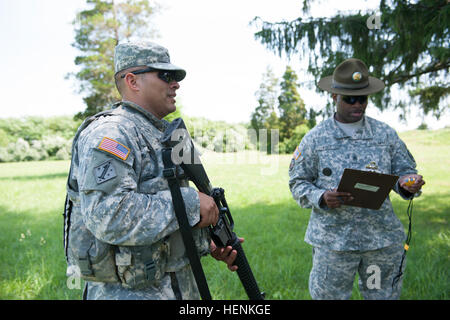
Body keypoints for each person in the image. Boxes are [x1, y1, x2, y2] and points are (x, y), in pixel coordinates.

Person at [65, 41, 239, 300]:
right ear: (133, 81)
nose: (176, 83)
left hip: (178, 286)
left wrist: (204, 240)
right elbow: (108, 214)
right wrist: (191, 205)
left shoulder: (161, 133)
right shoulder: (112, 133)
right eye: (166, 75)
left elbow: (162, 209)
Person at [288, 58, 425, 300]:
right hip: (334, 243)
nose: (358, 104)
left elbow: (404, 170)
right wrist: (321, 197)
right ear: (334, 97)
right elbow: (298, 181)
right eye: (350, 99)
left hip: (380, 241)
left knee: (381, 297)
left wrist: (408, 182)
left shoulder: (385, 134)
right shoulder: (315, 139)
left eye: (363, 98)